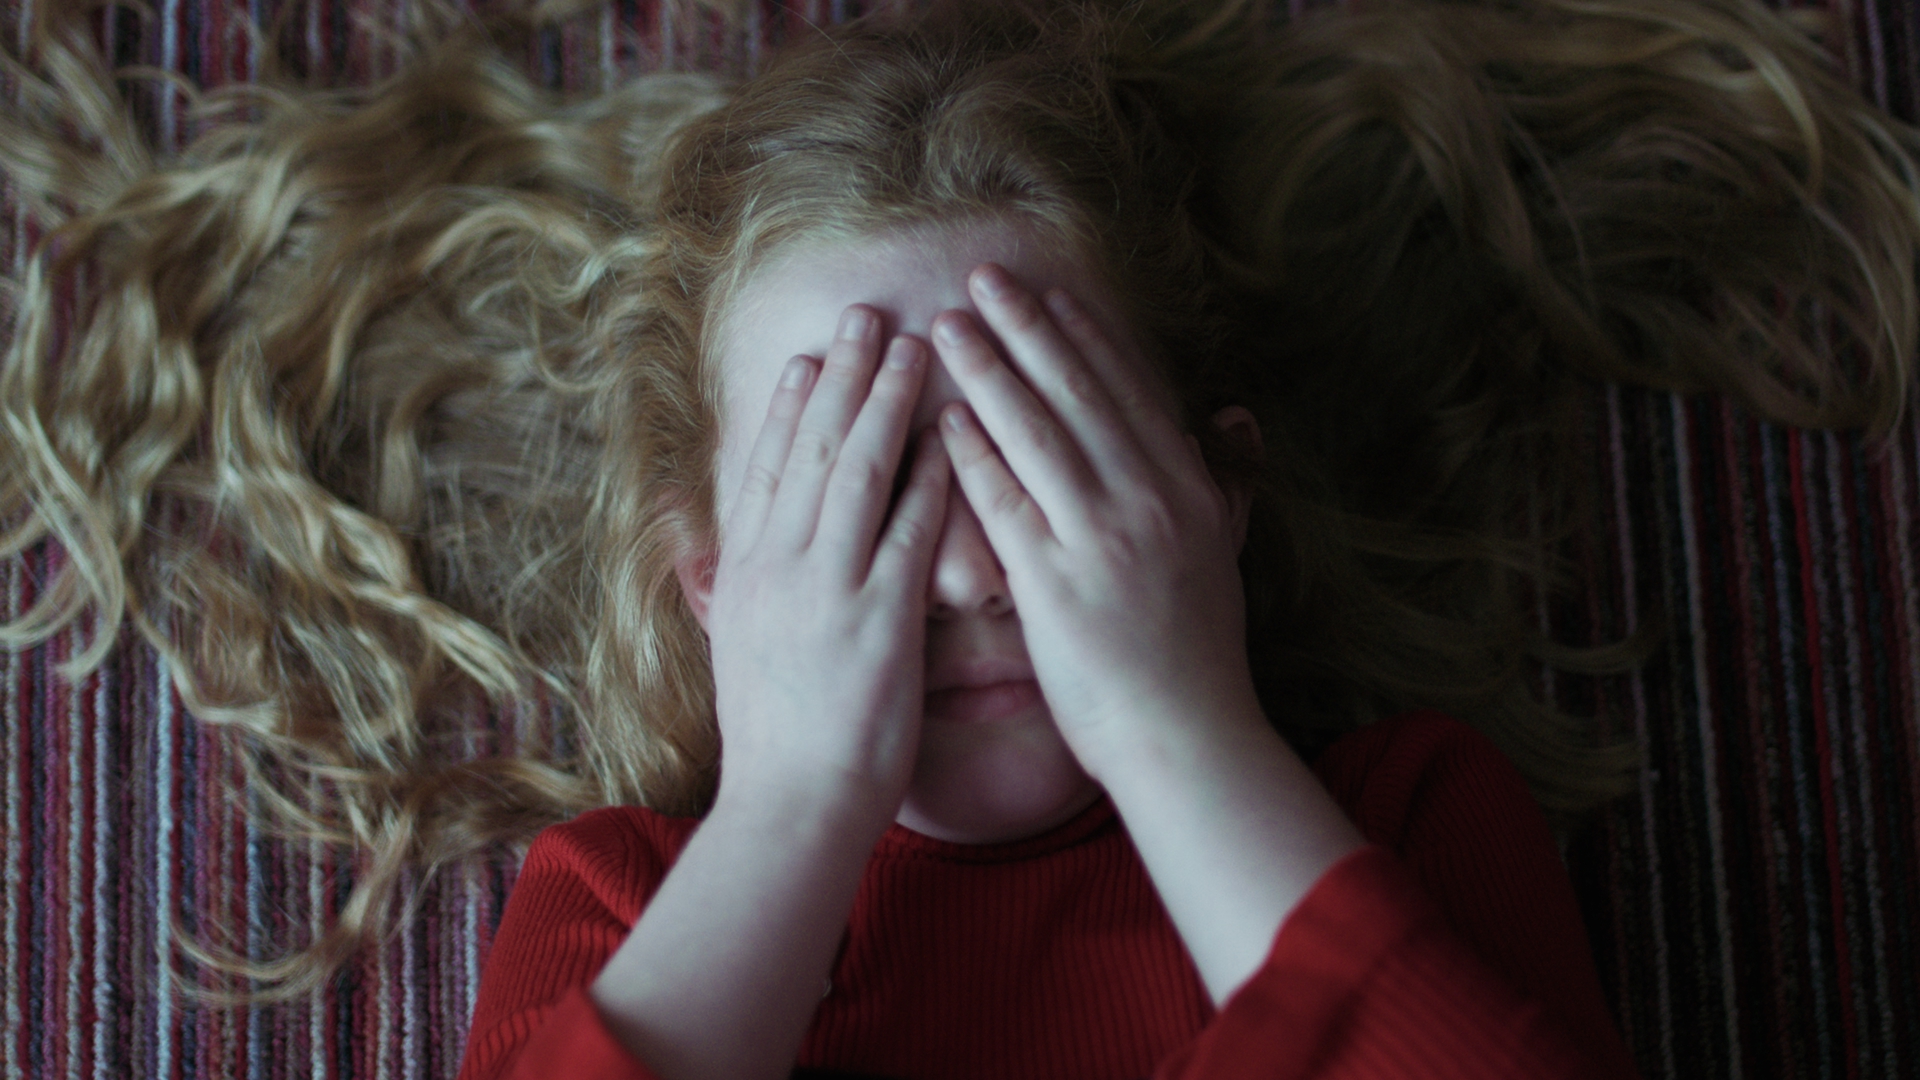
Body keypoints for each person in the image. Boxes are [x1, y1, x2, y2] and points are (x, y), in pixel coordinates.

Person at [2, 0, 1915, 1075]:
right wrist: (795, 803)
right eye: (867, 477)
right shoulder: (626, 910)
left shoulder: (1403, 824)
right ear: (708, 573)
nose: (972, 566)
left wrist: (1180, 736)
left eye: (1035, 452)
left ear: (1212, 501)